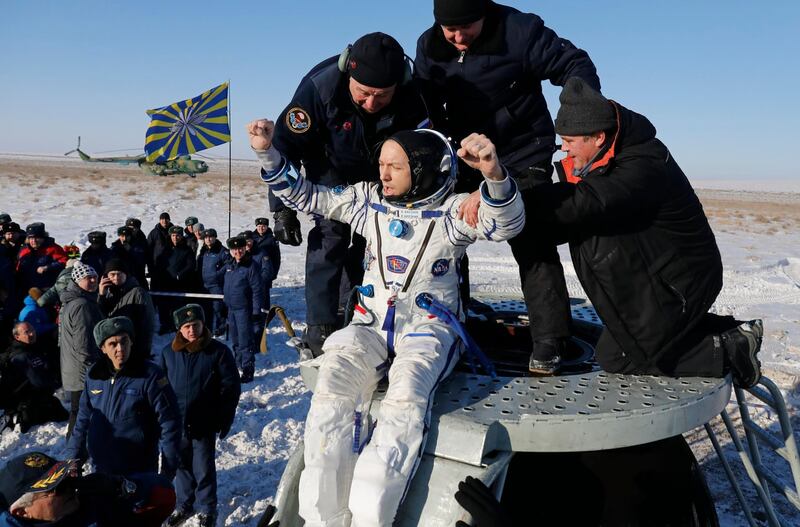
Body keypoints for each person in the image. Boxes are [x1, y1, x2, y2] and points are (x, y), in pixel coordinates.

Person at [249, 118, 524, 526]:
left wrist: (494, 176)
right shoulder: (368, 202)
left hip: (429, 328)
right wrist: (268, 153)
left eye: (394, 165)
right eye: (381, 163)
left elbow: (507, 224)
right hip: (371, 323)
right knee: (331, 387)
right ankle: (322, 517)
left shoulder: (452, 211)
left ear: (422, 167)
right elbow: (308, 197)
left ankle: (371, 513)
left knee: (404, 397)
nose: (383, 173)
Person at [525, 77, 763, 387]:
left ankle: (732, 350)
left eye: (570, 142)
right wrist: (521, 182)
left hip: (682, 281)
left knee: (619, 357)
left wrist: (514, 197)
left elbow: (585, 201)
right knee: (632, 336)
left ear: (598, 137)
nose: (565, 151)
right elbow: (570, 183)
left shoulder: (641, 165)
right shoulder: (609, 153)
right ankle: (732, 331)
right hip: (659, 274)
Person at [415, 0, 601, 374]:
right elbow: (423, 101)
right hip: (463, 153)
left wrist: (579, 116)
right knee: (445, 234)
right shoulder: (430, 45)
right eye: (449, 29)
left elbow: (575, 64)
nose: (457, 37)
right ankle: (450, 320)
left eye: (466, 27)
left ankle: (551, 338)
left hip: (520, 149)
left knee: (529, 230)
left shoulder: (519, 30)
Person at [268, 32, 431, 356]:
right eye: (364, 93)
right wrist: (282, 208)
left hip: (382, 170)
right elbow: (284, 147)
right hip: (330, 167)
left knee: (383, 240)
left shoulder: (414, 96)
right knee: (330, 238)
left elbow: (424, 148)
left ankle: (373, 314)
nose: (371, 104)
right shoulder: (320, 87)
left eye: (382, 96)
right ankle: (322, 326)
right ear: (348, 73)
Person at [65, 317, 182, 478]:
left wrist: (169, 468)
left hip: (139, 468)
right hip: (102, 466)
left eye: (124, 341)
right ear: (103, 348)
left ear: (131, 342)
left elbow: (170, 421)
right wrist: (73, 459)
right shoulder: (94, 376)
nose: (120, 348)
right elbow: (82, 419)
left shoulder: (150, 375)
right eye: (113, 344)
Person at [160, 305, 240, 527]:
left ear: (203, 324)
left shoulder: (218, 352)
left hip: (204, 421)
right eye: (186, 327)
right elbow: (161, 389)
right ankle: (184, 503)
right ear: (179, 329)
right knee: (181, 466)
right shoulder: (169, 353)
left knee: (203, 467)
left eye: (195, 325)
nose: (191, 330)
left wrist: (224, 417)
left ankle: (207, 507)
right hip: (177, 423)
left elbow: (230, 387)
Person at [0, 452, 176, 527]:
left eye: (67, 479)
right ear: (22, 512)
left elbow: (164, 495)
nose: (71, 488)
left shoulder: (87, 507)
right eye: (57, 488)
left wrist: (124, 486)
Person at [58, 262, 103, 438]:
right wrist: (95, 368)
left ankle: (75, 449)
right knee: (80, 412)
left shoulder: (77, 300)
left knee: (79, 410)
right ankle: (74, 451)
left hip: (75, 367)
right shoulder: (82, 305)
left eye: (94, 277)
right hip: (83, 369)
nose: (92, 281)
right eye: (87, 278)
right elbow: (83, 343)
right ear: (77, 280)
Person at [0, 322, 67, 433]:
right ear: (17, 337)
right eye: (27, 332)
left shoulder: (32, 348)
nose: (32, 334)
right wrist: (57, 381)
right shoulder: (21, 356)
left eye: (32, 330)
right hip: (25, 402)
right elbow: (39, 381)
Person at [221, 236, 263, 383]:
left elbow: (257, 290)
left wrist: (256, 311)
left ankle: (247, 369)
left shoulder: (251, 266)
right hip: (231, 309)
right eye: (234, 249)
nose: (238, 252)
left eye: (240, 249)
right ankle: (238, 364)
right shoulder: (229, 265)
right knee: (235, 340)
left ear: (245, 248)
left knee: (245, 341)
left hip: (244, 310)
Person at [97, 258, 155, 361]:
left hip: (133, 349)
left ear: (126, 275)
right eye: (112, 274)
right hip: (114, 349)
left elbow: (147, 325)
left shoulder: (138, 293)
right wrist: (101, 296)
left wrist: (143, 352)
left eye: (119, 274)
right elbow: (101, 318)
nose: (116, 278)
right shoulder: (108, 293)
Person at [16, 223, 67, 296]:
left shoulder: (53, 249)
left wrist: (48, 267)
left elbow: (64, 262)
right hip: (26, 289)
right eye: (31, 238)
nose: (34, 241)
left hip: (46, 290)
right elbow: (18, 268)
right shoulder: (24, 250)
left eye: (37, 238)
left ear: (43, 237)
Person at [197, 229, 229, 337]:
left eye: (210, 237)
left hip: (217, 285)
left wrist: (218, 274)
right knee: (206, 309)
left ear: (215, 238)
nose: (208, 239)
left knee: (218, 308)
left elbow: (228, 265)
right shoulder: (203, 252)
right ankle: (207, 328)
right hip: (204, 285)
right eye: (206, 238)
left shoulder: (222, 251)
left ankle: (221, 327)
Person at [147, 212, 173, 330]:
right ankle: (152, 321)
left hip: (170, 271)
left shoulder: (173, 231)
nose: (164, 221)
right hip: (156, 270)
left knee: (168, 298)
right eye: (162, 219)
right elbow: (148, 250)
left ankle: (167, 322)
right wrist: (151, 267)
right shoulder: (154, 233)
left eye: (166, 219)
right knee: (155, 296)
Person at [252, 218, 281, 308]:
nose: (261, 228)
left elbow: (276, 258)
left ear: (267, 227)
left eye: (263, 226)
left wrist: (274, 273)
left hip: (266, 270)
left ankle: (265, 314)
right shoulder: (251, 238)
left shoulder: (272, 239)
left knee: (264, 294)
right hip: (253, 269)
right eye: (259, 226)